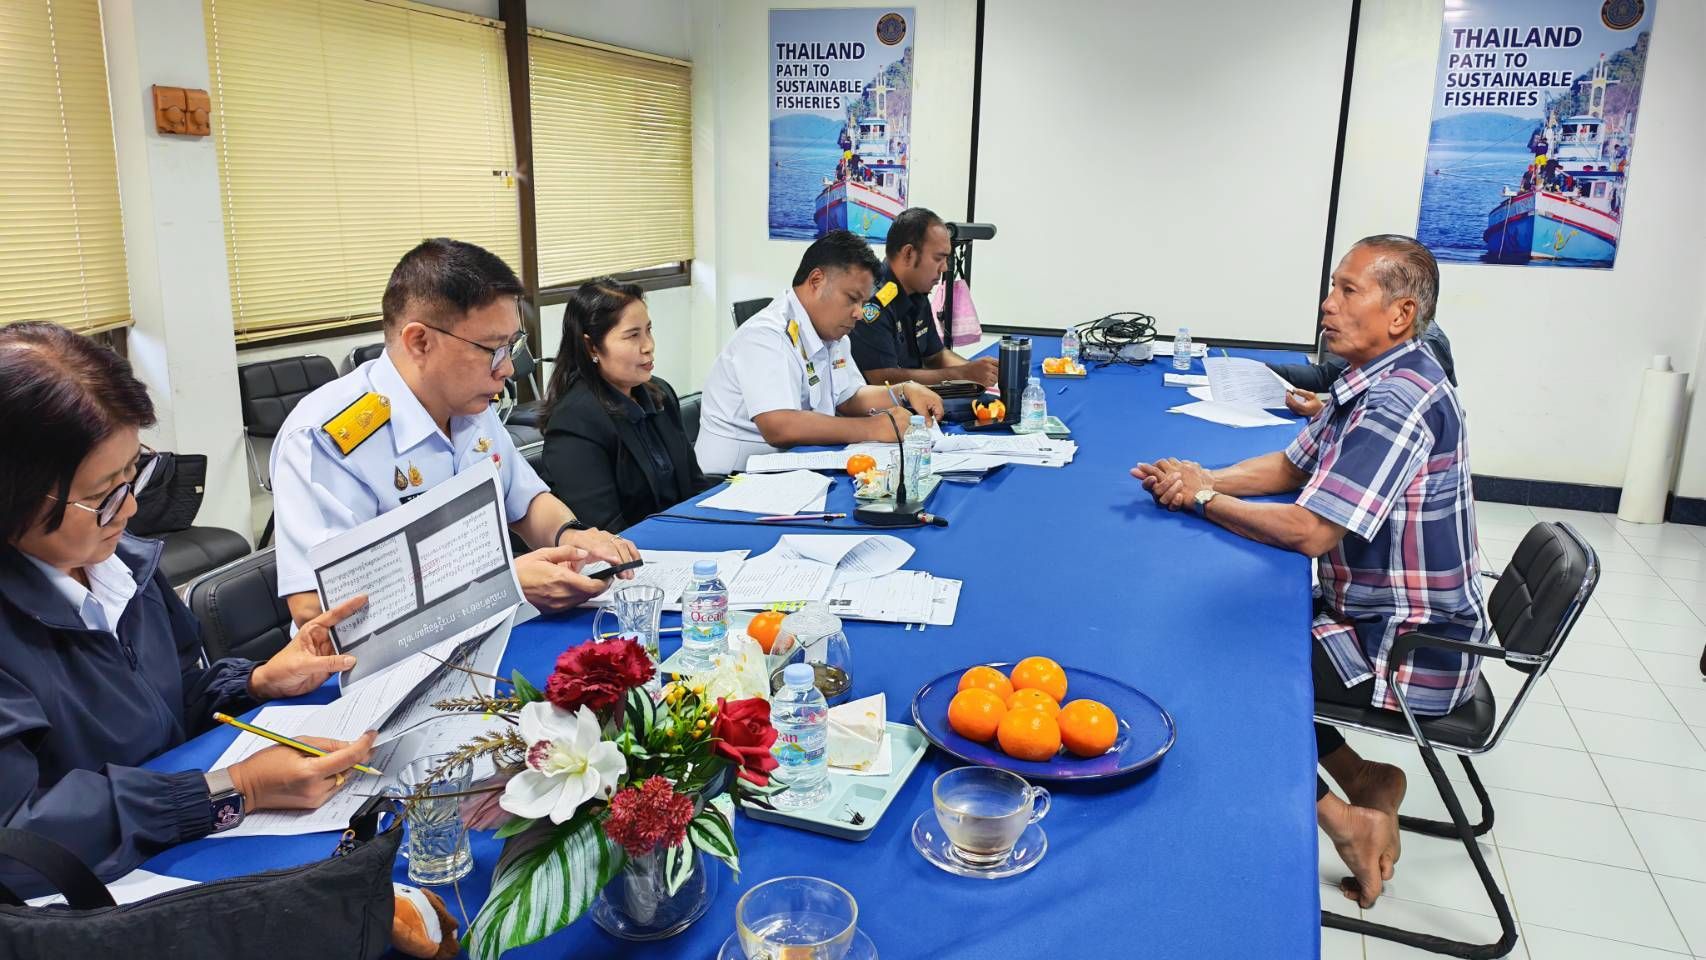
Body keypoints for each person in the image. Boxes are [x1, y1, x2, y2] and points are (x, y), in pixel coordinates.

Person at [1132, 235, 1487, 909]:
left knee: (1222, 669)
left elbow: (1311, 531)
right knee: (1245, 639)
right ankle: (1366, 776)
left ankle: (1344, 819)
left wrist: (1202, 500)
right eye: (1332, 288)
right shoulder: (1372, 378)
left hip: (1411, 647)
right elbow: (1292, 466)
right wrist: (1205, 476)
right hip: (1379, 616)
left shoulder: (1399, 399)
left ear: (1401, 315)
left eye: (1349, 291)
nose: (1328, 305)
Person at [0, 322, 377, 893]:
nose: (129, 510)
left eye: (135, 474)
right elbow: (18, 839)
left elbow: (167, 704)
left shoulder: (121, 565)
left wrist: (256, 681)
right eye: (103, 496)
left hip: (179, 839)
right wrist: (235, 790)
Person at [270, 238, 639, 627]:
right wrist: (501, 583)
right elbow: (316, 608)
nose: (506, 369)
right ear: (420, 342)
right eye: (493, 349)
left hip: (482, 629)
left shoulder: (469, 406)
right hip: (381, 656)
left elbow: (525, 501)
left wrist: (573, 538)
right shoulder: (326, 438)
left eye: (511, 346)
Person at [695, 230, 946, 475]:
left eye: (863, 302)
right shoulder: (766, 335)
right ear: (816, 281)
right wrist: (873, 428)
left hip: (794, 466)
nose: (859, 313)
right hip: (733, 479)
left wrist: (903, 391)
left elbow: (848, 398)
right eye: (852, 298)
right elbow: (780, 426)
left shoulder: (833, 335)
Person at [540, 277, 712, 532]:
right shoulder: (575, 420)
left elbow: (694, 486)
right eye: (633, 336)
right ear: (591, 347)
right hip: (631, 549)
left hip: (684, 535)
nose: (649, 346)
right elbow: (603, 528)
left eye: (648, 330)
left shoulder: (661, 394)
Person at [847, 207, 998, 388]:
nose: (944, 268)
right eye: (938, 258)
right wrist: (961, 373)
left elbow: (935, 355)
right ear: (909, 254)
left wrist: (979, 371)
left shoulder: (917, 291)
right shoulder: (871, 303)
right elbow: (882, 378)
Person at [1268, 317, 1457, 418]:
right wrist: (1264, 370)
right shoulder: (1381, 337)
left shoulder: (1424, 348)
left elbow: (1385, 419)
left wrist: (1323, 411)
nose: (1330, 305)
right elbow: (1325, 375)